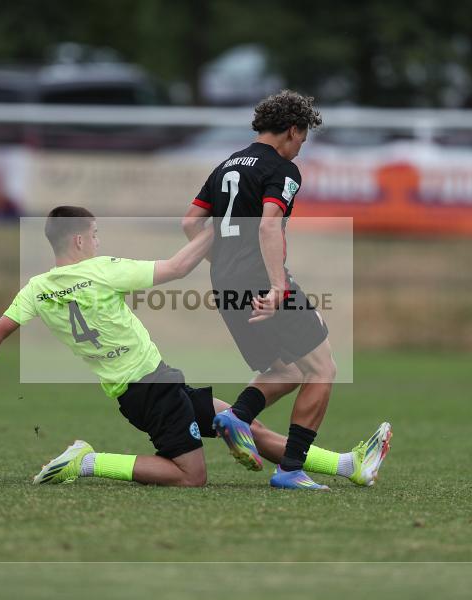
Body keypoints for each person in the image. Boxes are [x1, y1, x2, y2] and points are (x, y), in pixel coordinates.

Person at [0, 206, 379, 489]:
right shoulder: (102, 270)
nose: (97, 241)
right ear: (78, 240)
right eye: (94, 234)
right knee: (191, 477)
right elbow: (179, 266)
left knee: (240, 425)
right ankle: (89, 463)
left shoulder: (34, 289)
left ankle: (346, 465)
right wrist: (223, 227)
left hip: (149, 386)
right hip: (152, 389)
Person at [182, 90, 391, 490]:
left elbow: (191, 224)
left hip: (224, 282)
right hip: (263, 282)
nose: (300, 150)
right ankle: (290, 468)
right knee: (323, 368)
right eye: (303, 140)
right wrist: (277, 286)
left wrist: (226, 264)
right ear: (293, 130)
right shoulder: (282, 169)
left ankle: (237, 415)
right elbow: (268, 225)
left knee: (288, 368)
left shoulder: (226, 164)